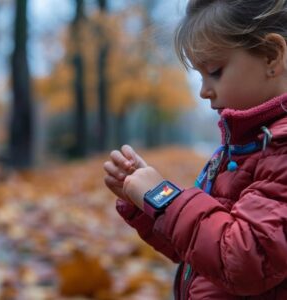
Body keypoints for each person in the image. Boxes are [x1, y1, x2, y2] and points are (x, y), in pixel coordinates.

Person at [103, 0, 287, 299]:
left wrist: (161, 197)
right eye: (200, 76)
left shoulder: (280, 151)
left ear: (271, 56)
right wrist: (143, 203)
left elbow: (244, 260)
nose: (203, 91)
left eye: (214, 71)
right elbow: (195, 248)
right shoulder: (241, 150)